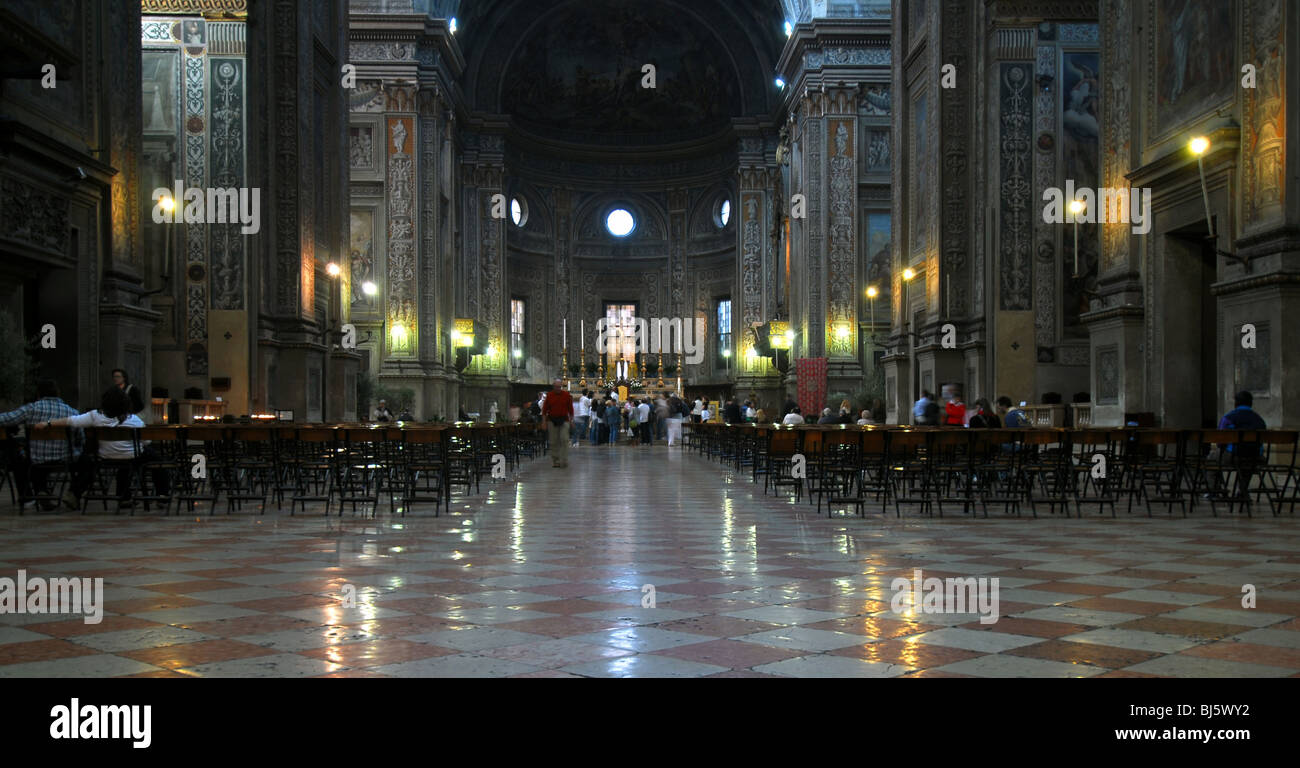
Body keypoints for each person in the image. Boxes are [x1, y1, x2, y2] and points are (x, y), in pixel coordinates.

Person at [48, 387, 153, 507]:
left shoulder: (95, 416)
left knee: (92, 463)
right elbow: (146, 441)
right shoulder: (134, 420)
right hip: (131, 456)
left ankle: (76, 493)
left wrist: (48, 423)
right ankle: (161, 495)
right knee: (149, 456)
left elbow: (72, 421)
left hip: (105, 455)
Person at [0, 379, 82, 510]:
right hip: (64, 457)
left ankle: (35, 493)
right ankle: (65, 492)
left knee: (20, 458)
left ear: (38, 393)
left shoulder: (31, 409)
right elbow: (80, 437)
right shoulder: (71, 412)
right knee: (85, 460)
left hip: (36, 457)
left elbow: (6, 418)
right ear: (58, 393)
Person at [542, 379, 573, 468]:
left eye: (559, 387)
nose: (558, 388)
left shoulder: (566, 395)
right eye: (556, 387)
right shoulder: (549, 395)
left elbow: (570, 409)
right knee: (553, 441)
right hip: (552, 420)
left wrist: (571, 420)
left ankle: (564, 459)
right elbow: (544, 410)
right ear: (553, 386)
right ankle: (556, 460)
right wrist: (543, 422)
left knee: (564, 439)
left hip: (564, 419)